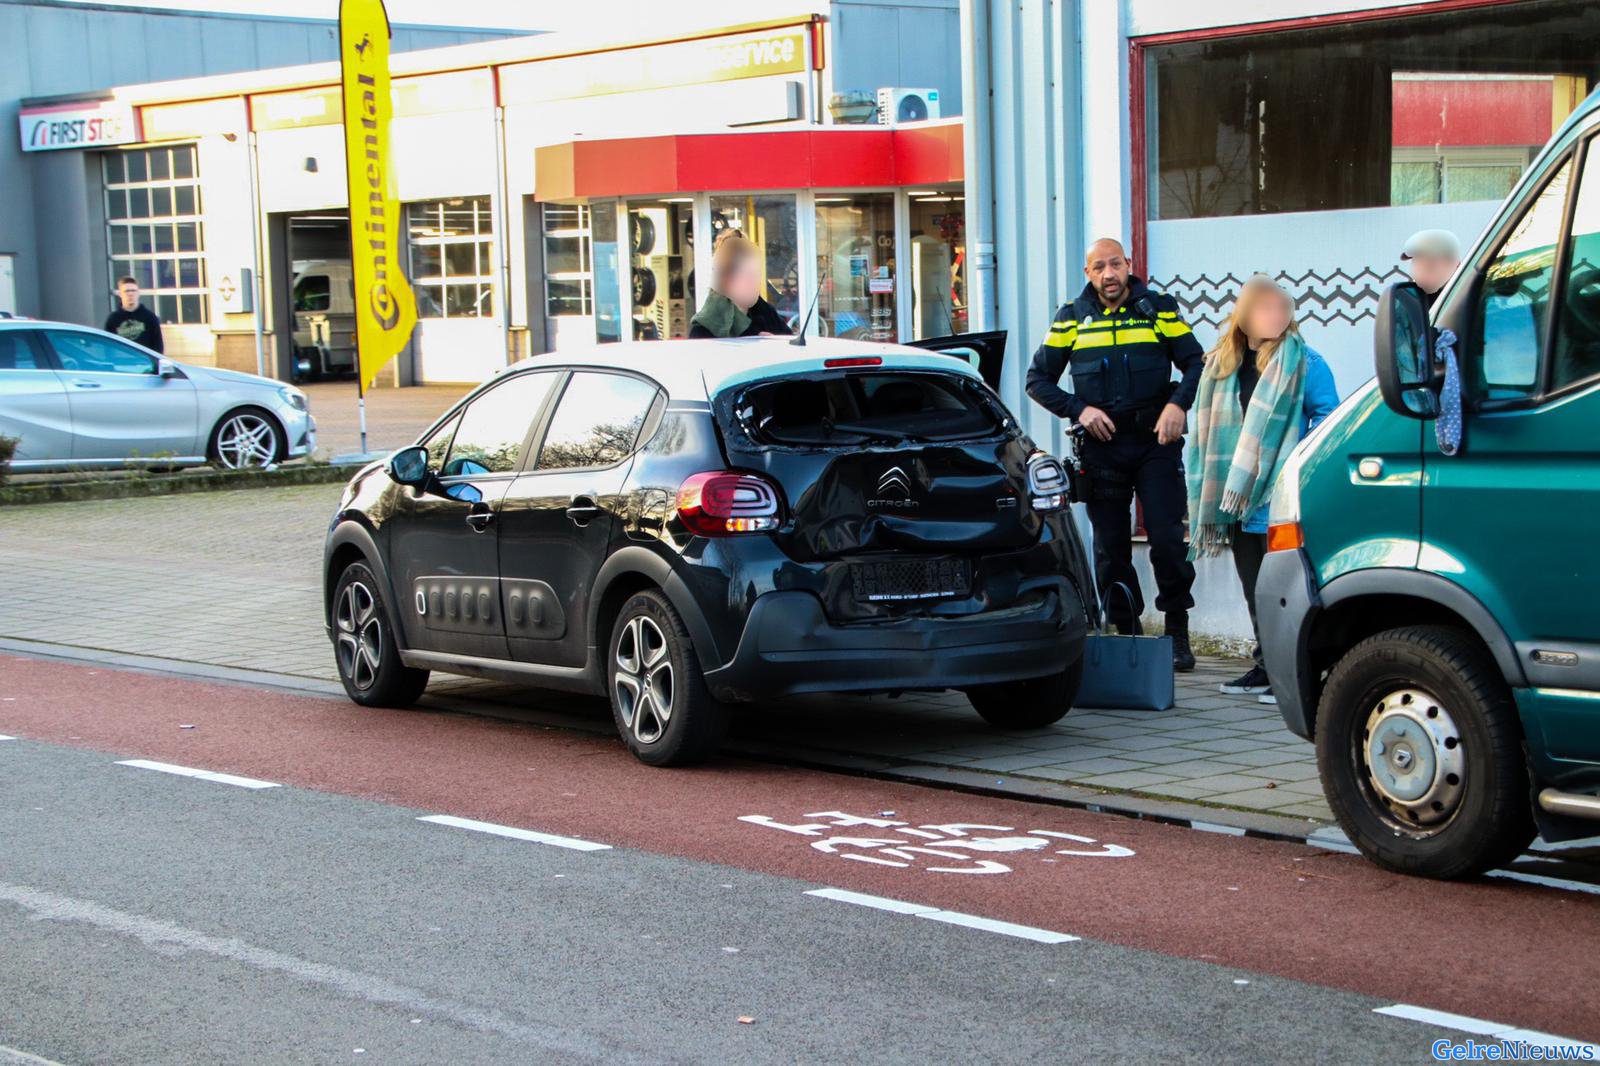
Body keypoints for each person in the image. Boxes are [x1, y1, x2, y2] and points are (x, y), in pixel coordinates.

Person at [1026, 237, 1204, 671]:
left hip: (1155, 444)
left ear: (1129, 265)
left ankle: (1176, 631)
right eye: (1099, 267)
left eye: (1116, 265)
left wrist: (1178, 405)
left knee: (1165, 540)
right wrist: (1079, 409)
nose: (1109, 274)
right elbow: (1038, 380)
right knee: (1110, 549)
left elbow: (1196, 361)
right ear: (1088, 273)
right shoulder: (1071, 318)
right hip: (1102, 451)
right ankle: (1126, 637)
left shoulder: (1158, 308)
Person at [1187, 275, 1338, 704]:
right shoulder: (1221, 365)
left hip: (1278, 494)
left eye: (1282, 309)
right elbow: (1206, 427)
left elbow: (1326, 418)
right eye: (1265, 309)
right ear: (1245, 316)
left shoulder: (1305, 362)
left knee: (1286, 590)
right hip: (1234, 495)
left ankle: (1295, 673)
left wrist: (1290, 461)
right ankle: (1266, 666)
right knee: (1255, 587)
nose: (1276, 317)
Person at [689, 231, 791, 339]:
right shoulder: (705, 327)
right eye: (748, 274)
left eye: (757, 274)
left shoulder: (767, 313)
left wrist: (777, 344)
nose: (755, 282)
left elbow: (790, 344)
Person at [1401, 229, 1462, 312]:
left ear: (1455, 265)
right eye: (1417, 262)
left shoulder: (1464, 297)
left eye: (1431, 264)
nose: (1422, 270)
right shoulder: (1411, 299)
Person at [103, 276, 164, 353]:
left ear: (138, 293)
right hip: (121, 363)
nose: (130, 294)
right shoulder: (113, 319)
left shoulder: (150, 317)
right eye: (127, 291)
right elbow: (108, 347)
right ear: (120, 294)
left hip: (144, 363)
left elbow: (158, 346)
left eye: (133, 290)